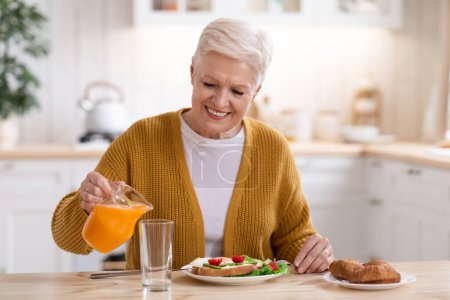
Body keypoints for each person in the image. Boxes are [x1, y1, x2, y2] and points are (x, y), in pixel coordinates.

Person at [51, 18, 333, 273]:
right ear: (192, 73)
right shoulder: (141, 140)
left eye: (237, 91)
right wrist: (87, 207)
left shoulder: (273, 148)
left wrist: (314, 253)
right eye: (210, 84)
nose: (220, 102)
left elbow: (294, 240)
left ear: (256, 92)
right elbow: (68, 240)